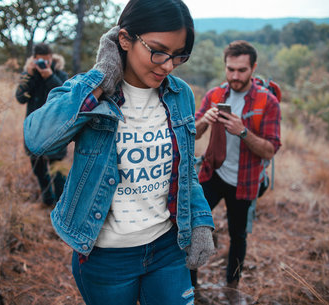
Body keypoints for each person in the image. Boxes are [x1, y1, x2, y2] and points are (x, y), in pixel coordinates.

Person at [23, 0, 216, 304]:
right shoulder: (90, 93)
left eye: (178, 55)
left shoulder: (181, 95)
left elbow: (185, 168)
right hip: (107, 257)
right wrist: (101, 80)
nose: (167, 65)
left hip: (167, 247)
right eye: (158, 50)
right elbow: (39, 139)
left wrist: (201, 219)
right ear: (125, 39)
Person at [193, 41, 281, 304]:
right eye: (230, 69)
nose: (234, 76)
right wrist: (204, 121)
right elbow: (191, 133)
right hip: (212, 173)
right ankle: (191, 287)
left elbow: (269, 150)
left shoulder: (268, 102)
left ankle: (231, 289)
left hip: (245, 180)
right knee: (194, 227)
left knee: (238, 235)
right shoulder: (215, 95)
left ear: (253, 68)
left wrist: (242, 132)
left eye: (242, 70)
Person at [16, 43, 68, 206]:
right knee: (38, 166)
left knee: (57, 168)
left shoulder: (60, 74)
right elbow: (20, 97)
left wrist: (49, 76)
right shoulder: (29, 75)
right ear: (34, 59)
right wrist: (30, 75)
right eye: (40, 61)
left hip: (56, 128)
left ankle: (60, 203)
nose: (44, 64)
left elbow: (66, 97)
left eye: (47, 60)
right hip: (35, 128)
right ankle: (47, 199)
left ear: (51, 58)